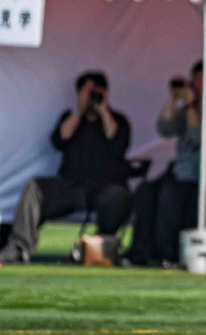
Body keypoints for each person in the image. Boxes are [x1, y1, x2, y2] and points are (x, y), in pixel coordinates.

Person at [0, 72, 132, 265]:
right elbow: (58, 140)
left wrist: (103, 109)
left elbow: (118, 144)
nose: (91, 97)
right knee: (35, 187)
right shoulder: (71, 118)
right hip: (72, 185)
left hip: (106, 187)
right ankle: (19, 248)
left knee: (119, 195)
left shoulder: (118, 120)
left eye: (95, 91)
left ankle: (101, 250)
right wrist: (79, 110)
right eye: (87, 92)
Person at [128, 60, 206, 267]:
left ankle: (167, 255)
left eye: (202, 80)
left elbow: (200, 139)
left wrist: (191, 106)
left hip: (203, 177)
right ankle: (140, 252)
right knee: (145, 191)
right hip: (180, 172)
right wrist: (173, 99)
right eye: (195, 80)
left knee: (169, 195)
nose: (197, 86)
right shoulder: (186, 110)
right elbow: (163, 129)